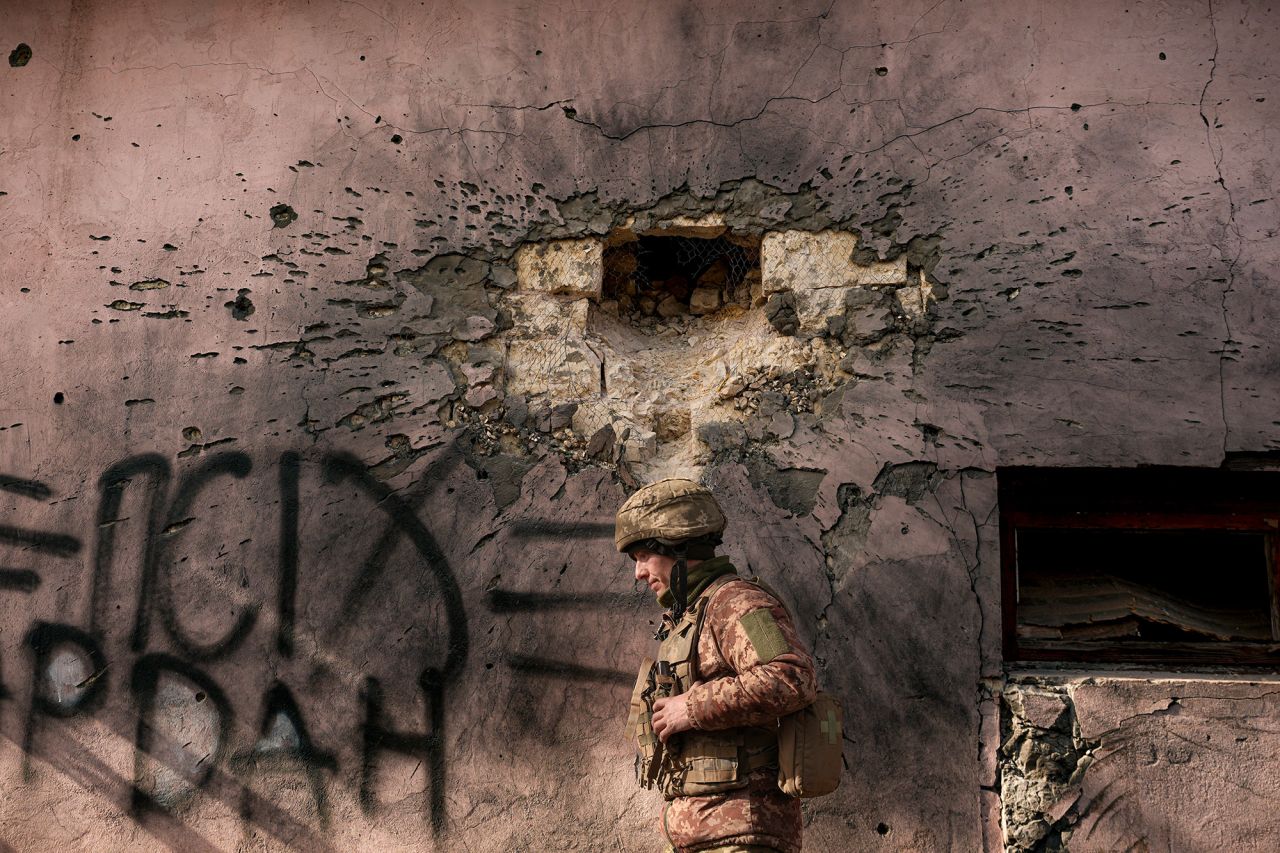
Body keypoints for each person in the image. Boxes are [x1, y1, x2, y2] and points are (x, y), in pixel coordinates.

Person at [619, 478, 818, 853]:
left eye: (644, 556)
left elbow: (790, 676)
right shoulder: (692, 613)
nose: (639, 573)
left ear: (676, 546)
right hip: (704, 834)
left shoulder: (736, 602)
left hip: (741, 833)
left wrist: (690, 708)